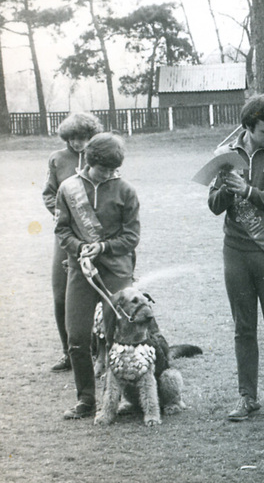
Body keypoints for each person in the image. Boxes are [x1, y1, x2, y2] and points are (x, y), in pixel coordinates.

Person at [208, 93, 264, 423]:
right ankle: (248, 397)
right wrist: (226, 189)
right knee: (243, 327)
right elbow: (214, 206)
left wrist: (247, 191)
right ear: (247, 127)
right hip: (235, 252)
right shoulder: (226, 156)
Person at [55, 132, 140, 419]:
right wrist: (81, 249)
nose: (109, 174)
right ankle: (86, 400)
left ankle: (117, 399)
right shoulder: (68, 188)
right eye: (104, 168)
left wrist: (102, 246)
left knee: (121, 338)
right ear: (90, 162)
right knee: (77, 337)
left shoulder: (126, 190)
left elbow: (131, 236)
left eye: (114, 169)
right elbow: (62, 231)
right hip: (81, 271)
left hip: (117, 271)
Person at [42, 113, 102, 372]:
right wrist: (62, 215)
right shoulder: (57, 159)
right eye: (74, 139)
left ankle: (100, 353)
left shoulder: (99, 156)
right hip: (65, 237)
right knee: (61, 294)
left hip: (95, 238)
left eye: (84, 138)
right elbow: (48, 194)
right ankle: (70, 352)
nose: (79, 144)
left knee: (98, 292)